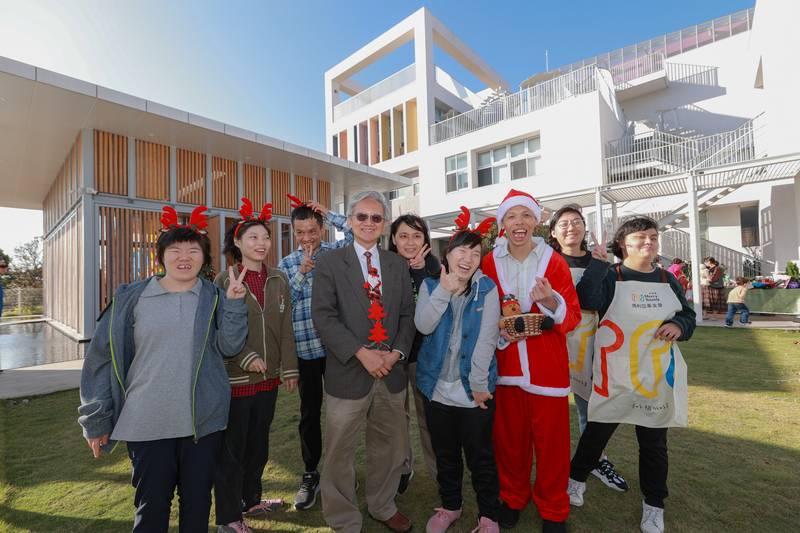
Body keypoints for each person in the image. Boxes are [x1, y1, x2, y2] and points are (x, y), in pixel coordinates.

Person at [78, 206, 249, 533]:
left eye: (193, 250)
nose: (184, 257)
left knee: (197, 505)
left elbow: (231, 347)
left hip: (202, 422)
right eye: (175, 250)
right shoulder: (132, 298)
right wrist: (97, 419)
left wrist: (235, 304)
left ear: (204, 258)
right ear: (161, 256)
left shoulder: (214, 297)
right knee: (151, 507)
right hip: (146, 421)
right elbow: (101, 359)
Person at [567, 216, 695, 533]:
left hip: (654, 376)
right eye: (640, 238)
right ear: (624, 244)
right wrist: (598, 265)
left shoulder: (668, 278)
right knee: (596, 433)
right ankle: (575, 481)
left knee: (653, 443)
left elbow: (688, 316)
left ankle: (654, 505)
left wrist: (679, 325)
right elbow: (585, 300)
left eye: (653, 237)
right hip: (615, 373)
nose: (648, 242)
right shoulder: (613, 275)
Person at [312, 190, 416, 533]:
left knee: (389, 446)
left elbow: (406, 314)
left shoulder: (397, 264)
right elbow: (324, 317)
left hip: (391, 372)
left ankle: (383, 504)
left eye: (375, 217)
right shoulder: (328, 262)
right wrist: (361, 352)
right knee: (339, 451)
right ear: (350, 221)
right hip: (348, 372)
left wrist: (396, 353)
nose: (368, 223)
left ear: (383, 224)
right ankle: (343, 518)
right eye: (361, 216)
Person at [481, 189, 582, 533]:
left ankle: (554, 509)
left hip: (547, 368)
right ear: (502, 225)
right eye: (512, 216)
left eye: (526, 215)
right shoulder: (489, 262)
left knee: (552, 445)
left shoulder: (554, 261)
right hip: (506, 366)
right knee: (509, 442)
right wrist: (500, 336)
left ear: (536, 221)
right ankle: (512, 497)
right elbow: (483, 313)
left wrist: (551, 301)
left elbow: (573, 316)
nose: (519, 222)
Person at [213, 199, 299, 533]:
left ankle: (251, 500)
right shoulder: (224, 281)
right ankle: (228, 517)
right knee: (232, 451)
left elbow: (287, 326)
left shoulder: (278, 279)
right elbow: (220, 330)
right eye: (253, 238)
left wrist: (288, 368)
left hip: (269, 380)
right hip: (236, 381)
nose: (261, 243)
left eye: (266, 237)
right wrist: (245, 356)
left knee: (259, 445)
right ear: (237, 242)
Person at [414, 211, 501, 533]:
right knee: (446, 455)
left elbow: (487, 339)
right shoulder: (430, 285)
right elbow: (423, 325)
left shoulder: (487, 289)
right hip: (437, 388)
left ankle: (489, 515)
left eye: (476, 253)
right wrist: (443, 291)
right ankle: (450, 506)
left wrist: (478, 384)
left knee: (481, 457)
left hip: (473, 390)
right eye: (462, 251)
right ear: (448, 254)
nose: (468, 258)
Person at [277, 195, 353, 511]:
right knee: (309, 415)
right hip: (306, 351)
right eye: (300, 232)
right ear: (293, 232)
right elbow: (282, 306)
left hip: (336, 350)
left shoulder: (336, 253)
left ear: (320, 228)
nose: (306, 238)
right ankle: (311, 473)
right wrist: (302, 273)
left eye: (312, 230)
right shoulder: (286, 264)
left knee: (343, 415)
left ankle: (341, 472)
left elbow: (354, 234)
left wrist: (331, 214)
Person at [547, 205, 629, 492]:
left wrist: (599, 265)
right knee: (551, 412)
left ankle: (594, 458)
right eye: (564, 223)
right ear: (553, 232)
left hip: (590, 346)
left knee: (591, 409)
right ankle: (551, 464)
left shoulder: (600, 261)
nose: (571, 227)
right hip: (551, 344)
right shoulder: (545, 261)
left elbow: (594, 302)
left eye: (577, 222)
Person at [389, 214, 441, 489]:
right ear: (393, 239)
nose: (410, 242)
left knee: (428, 417)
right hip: (391, 355)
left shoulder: (435, 269)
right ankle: (401, 467)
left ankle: (438, 470)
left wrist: (421, 272)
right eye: (404, 236)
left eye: (417, 236)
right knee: (397, 415)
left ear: (426, 240)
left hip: (423, 354)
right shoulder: (383, 268)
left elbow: (433, 310)